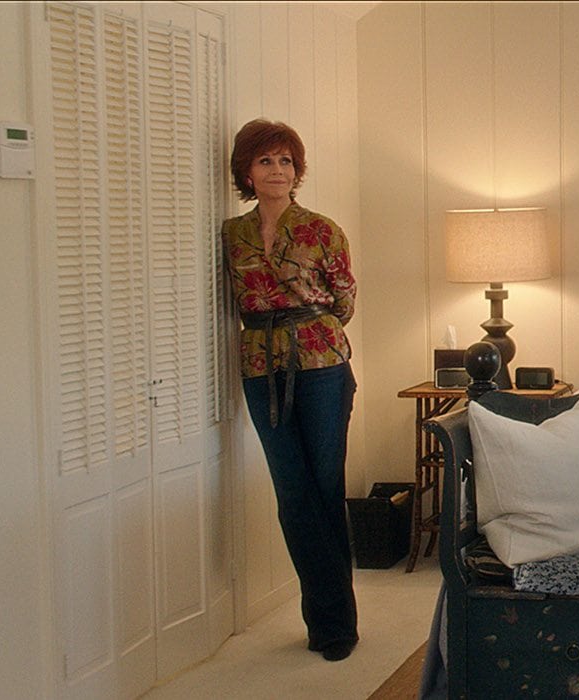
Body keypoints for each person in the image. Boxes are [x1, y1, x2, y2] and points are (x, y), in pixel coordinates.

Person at [224, 119, 360, 661]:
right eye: (265, 161)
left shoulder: (322, 230)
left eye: (285, 161)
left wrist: (303, 327)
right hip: (260, 365)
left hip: (321, 363)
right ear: (247, 172)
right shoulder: (232, 235)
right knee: (293, 495)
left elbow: (344, 302)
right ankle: (327, 616)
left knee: (324, 490)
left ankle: (335, 626)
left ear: (296, 171)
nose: (277, 170)